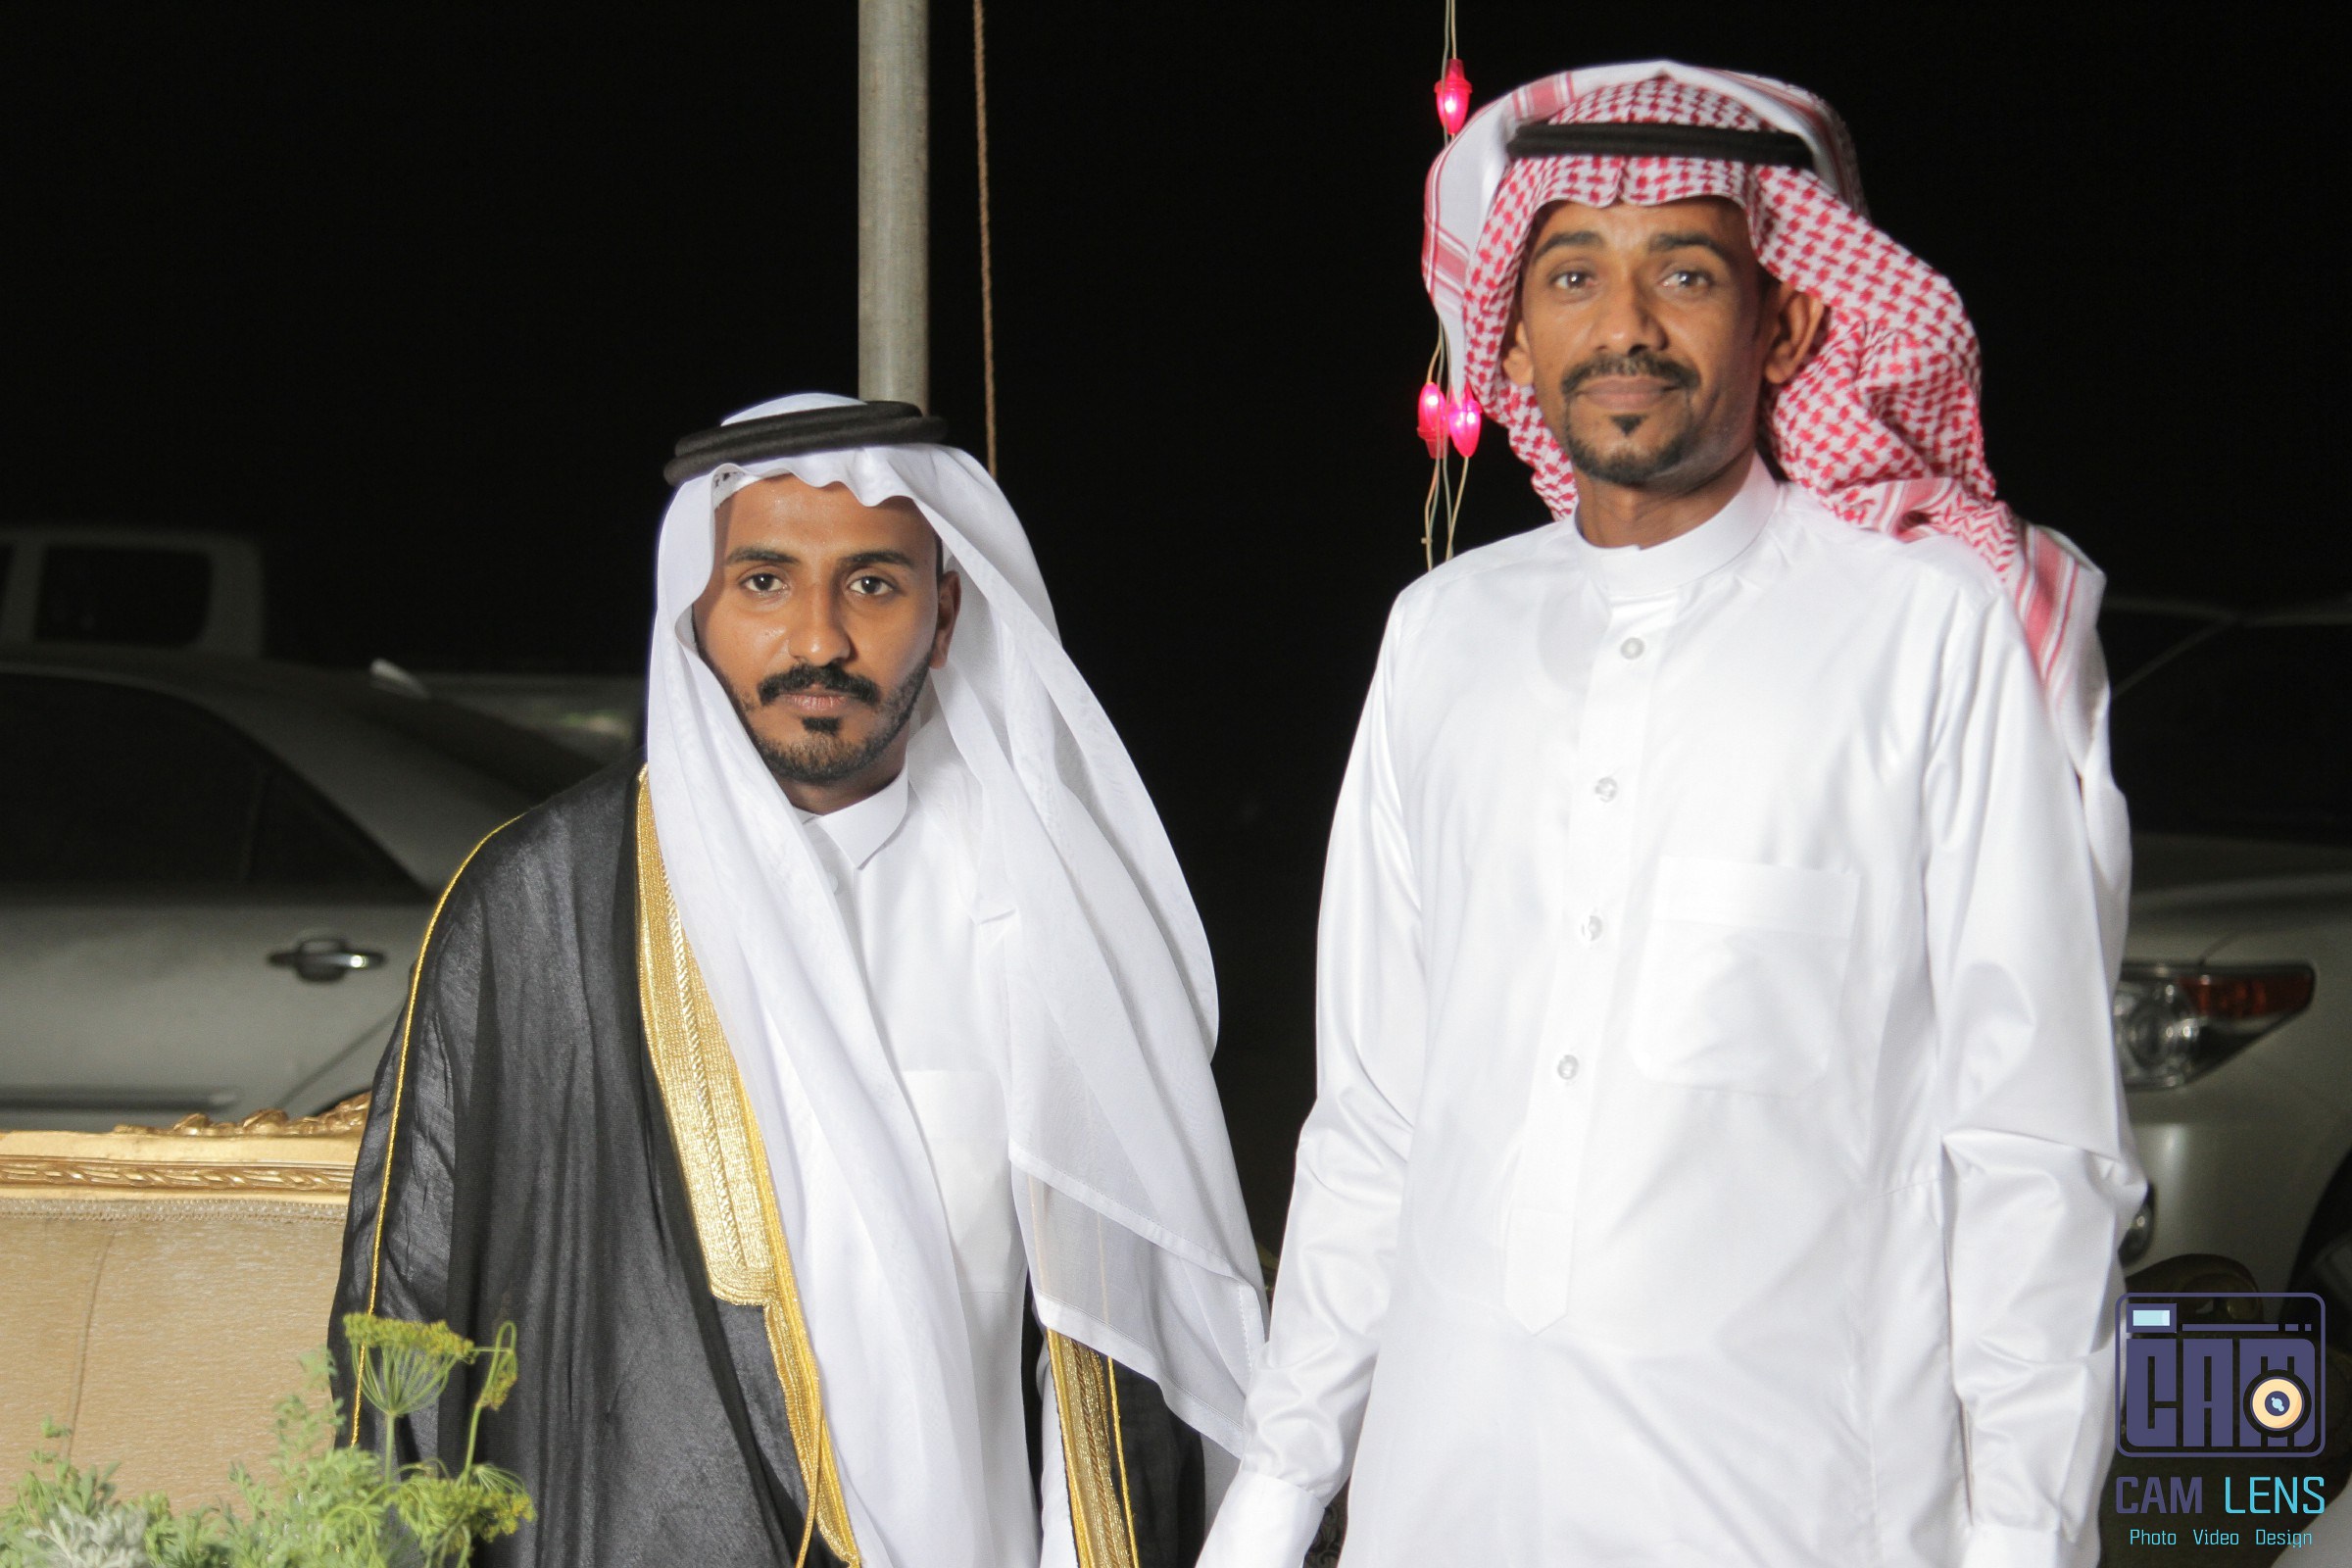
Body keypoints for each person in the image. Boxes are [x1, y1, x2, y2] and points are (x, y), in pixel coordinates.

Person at [1199, 62, 2139, 1568]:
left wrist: (2025, 1534)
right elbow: (1375, 1116)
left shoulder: (1931, 633)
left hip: (1791, 1519)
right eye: (1573, 274)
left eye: (1686, 273)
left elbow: (2031, 1143)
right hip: (1446, 1507)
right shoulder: (1443, 634)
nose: (1624, 325)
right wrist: (1273, 1494)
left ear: (1790, 323)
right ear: (1512, 328)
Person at [330, 395, 1265, 1568]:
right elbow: (407, 1317)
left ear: (946, 612)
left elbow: (1133, 1353)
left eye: (873, 583)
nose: (818, 638)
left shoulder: (1047, 913)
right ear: (697, 608)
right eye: (765, 582)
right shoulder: (537, 908)